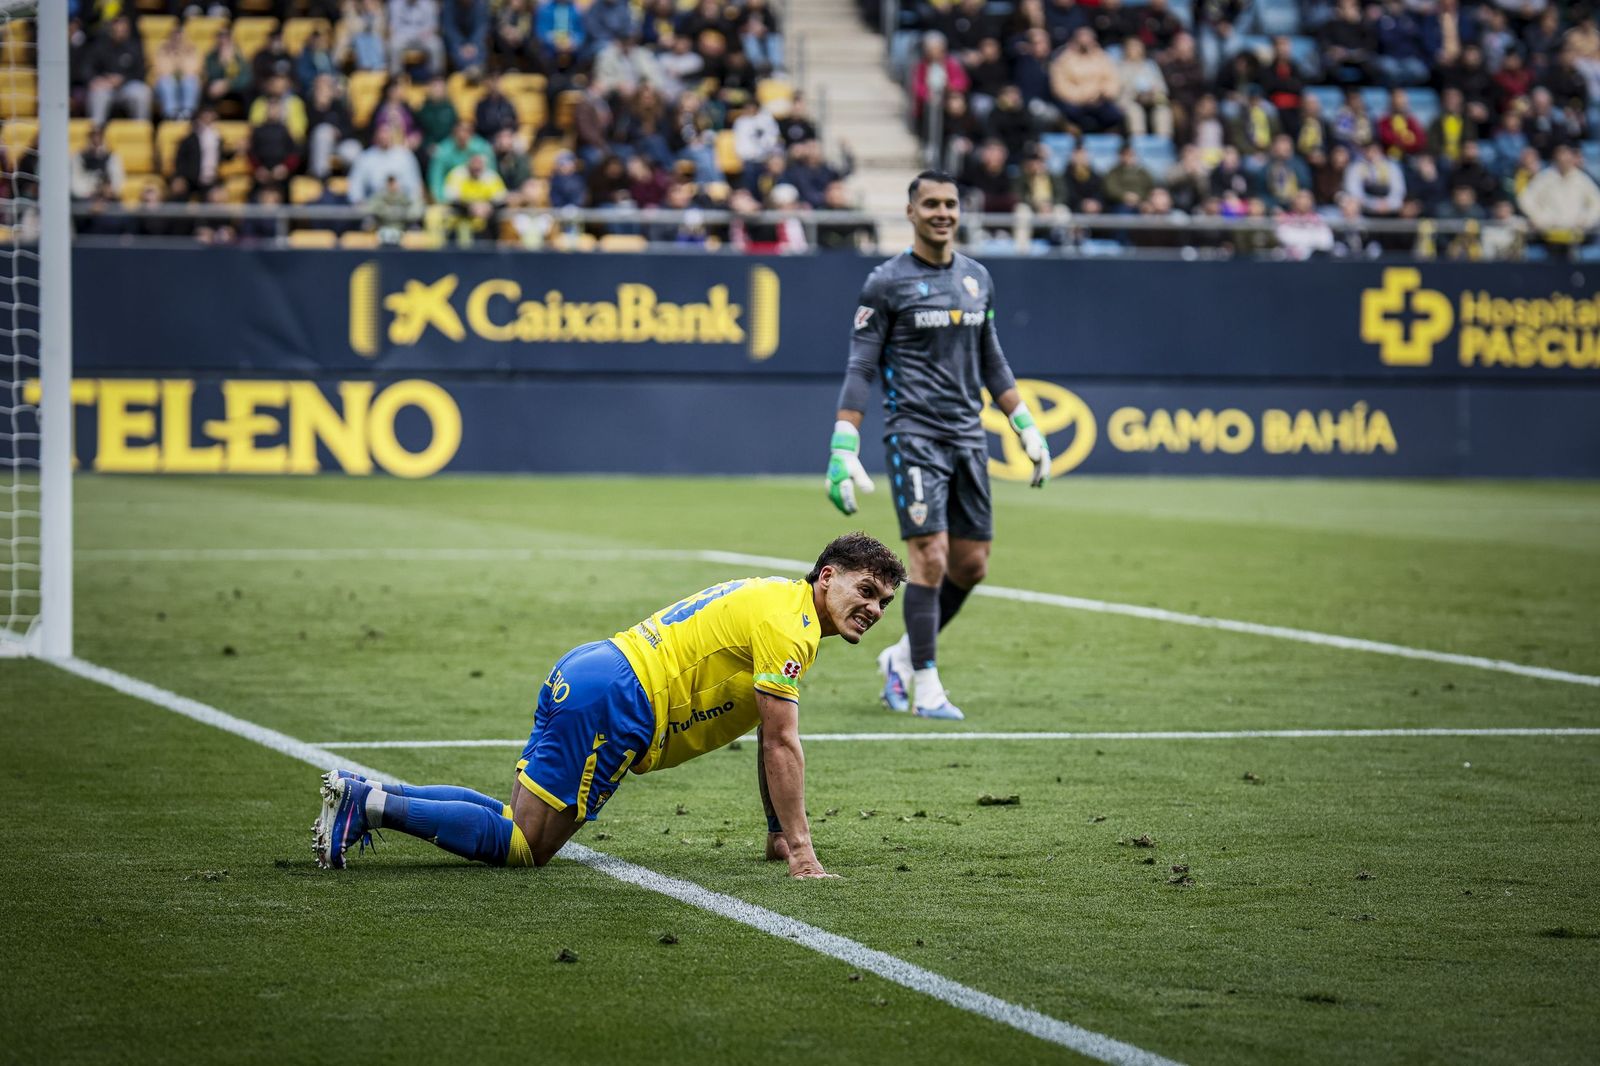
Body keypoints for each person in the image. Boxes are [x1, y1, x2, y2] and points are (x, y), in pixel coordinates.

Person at [313, 533, 907, 876]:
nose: (873, 610)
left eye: (882, 602)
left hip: (593, 669)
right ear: (827, 576)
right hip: (619, 703)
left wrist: (779, 832)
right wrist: (803, 854)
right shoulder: (792, 626)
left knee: (510, 820)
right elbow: (781, 742)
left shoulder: (782, 603)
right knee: (524, 847)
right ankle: (369, 804)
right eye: (865, 590)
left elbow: (762, 729)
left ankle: (361, 794)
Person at [826, 171, 1050, 722]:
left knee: (971, 565)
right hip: (915, 435)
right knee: (929, 558)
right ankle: (926, 684)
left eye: (950, 203)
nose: (942, 212)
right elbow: (861, 365)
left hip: (968, 436)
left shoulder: (977, 279)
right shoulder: (885, 282)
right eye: (931, 204)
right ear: (910, 212)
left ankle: (901, 658)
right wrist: (842, 443)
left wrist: (1024, 423)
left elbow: (991, 357)